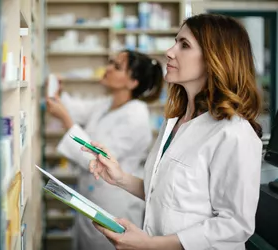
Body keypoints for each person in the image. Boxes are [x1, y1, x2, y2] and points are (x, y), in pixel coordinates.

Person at [83, 13, 263, 250]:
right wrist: (121, 179)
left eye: (184, 45)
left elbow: (235, 224)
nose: (170, 51)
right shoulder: (176, 123)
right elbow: (168, 197)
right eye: (175, 41)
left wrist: (151, 245)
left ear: (214, 59)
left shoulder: (233, 133)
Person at [45, 49, 164, 250]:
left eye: (117, 67)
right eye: (111, 62)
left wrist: (65, 119)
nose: (107, 68)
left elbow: (100, 160)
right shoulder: (108, 103)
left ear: (132, 82)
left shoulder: (136, 115)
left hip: (114, 204)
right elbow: (78, 108)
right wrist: (58, 93)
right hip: (92, 197)